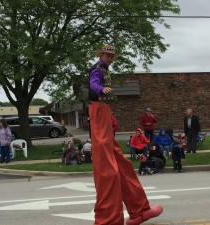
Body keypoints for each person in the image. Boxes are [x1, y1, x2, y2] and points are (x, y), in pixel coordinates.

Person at [88, 45, 163, 225]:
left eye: (112, 56)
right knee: (107, 167)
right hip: (97, 109)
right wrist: (101, 90)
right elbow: (93, 84)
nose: (111, 59)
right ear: (102, 55)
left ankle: (139, 210)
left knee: (122, 164)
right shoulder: (96, 70)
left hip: (103, 110)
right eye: (108, 56)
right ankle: (108, 220)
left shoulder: (105, 70)